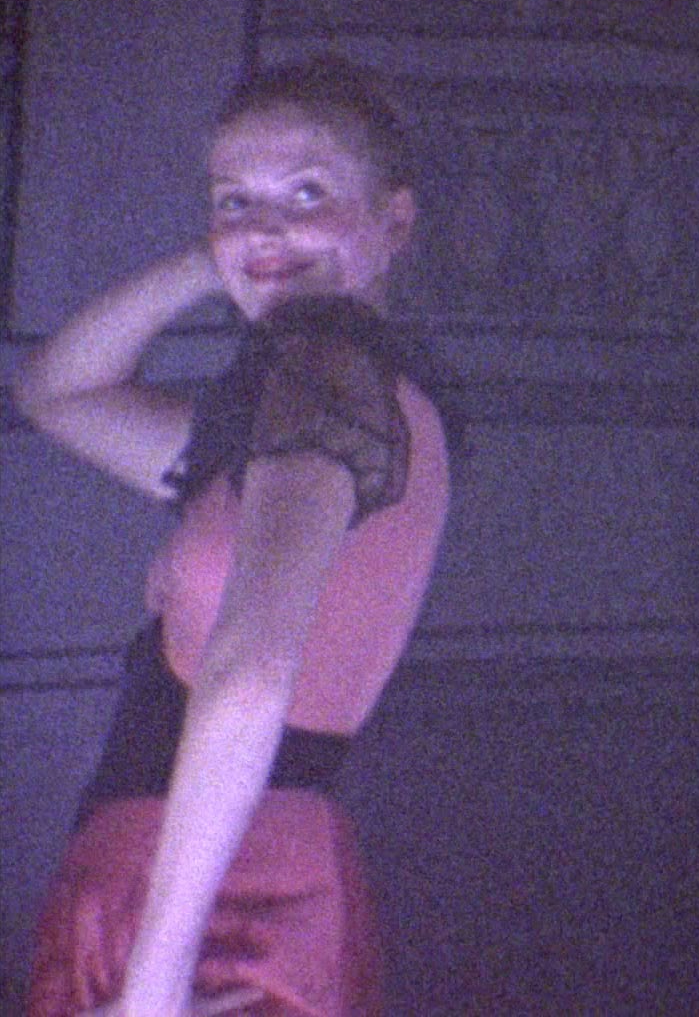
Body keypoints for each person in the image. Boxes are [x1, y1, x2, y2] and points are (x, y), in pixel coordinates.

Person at [15, 56, 450, 1015]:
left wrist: (154, 983)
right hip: (216, 879)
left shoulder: (327, 374)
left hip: (223, 907)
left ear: (395, 221)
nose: (265, 224)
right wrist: (219, 261)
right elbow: (57, 392)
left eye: (307, 192)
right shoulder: (307, 404)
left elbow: (251, 674)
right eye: (234, 200)